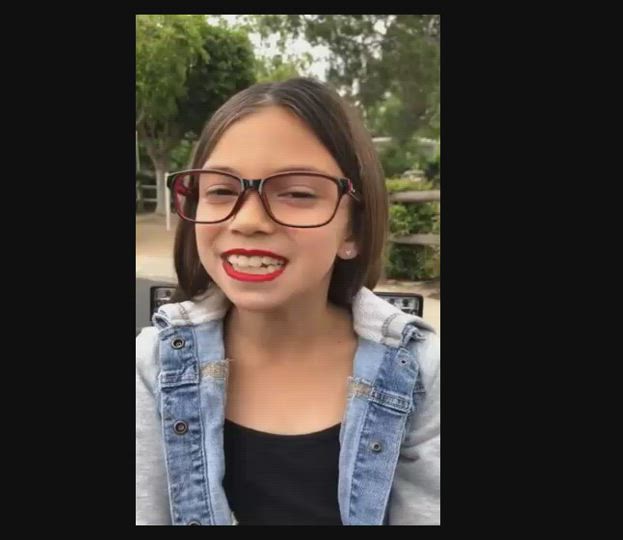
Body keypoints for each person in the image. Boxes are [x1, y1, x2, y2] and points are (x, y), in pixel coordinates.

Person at [136, 77, 440, 525]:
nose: (249, 221)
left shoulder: (422, 374)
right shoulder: (152, 365)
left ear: (354, 230)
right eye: (220, 190)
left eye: (297, 193)